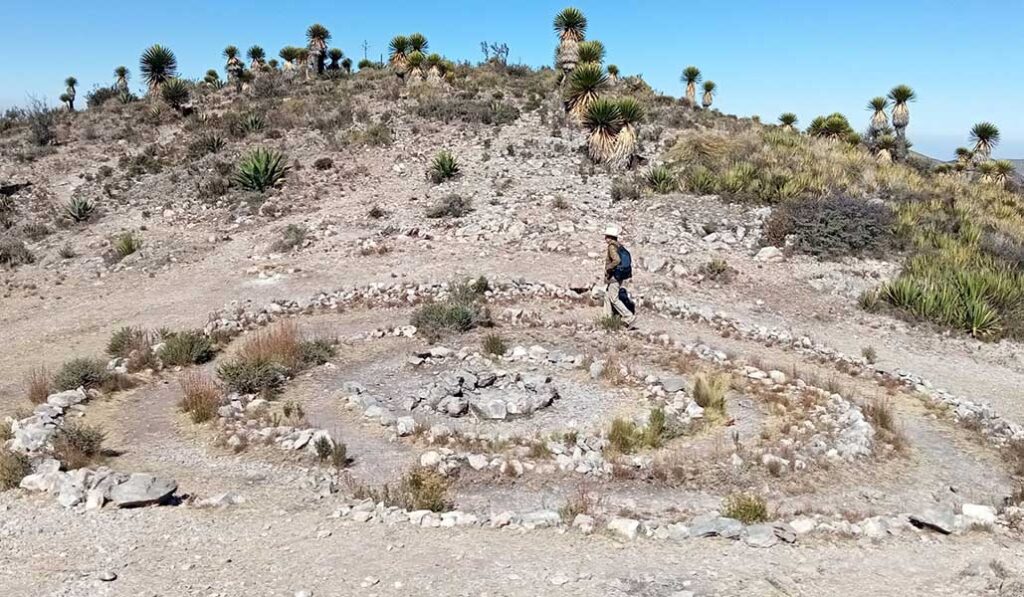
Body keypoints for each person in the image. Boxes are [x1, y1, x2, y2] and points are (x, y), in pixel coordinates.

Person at [603, 225, 637, 328]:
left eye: (606, 236)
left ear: (610, 237)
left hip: (614, 276)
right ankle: (607, 319)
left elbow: (617, 260)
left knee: (614, 298)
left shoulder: (612, 247)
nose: (605, 238)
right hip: (619, 275)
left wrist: (609, 267)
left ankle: (628, 316)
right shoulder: (618, 246)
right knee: (607, 296)